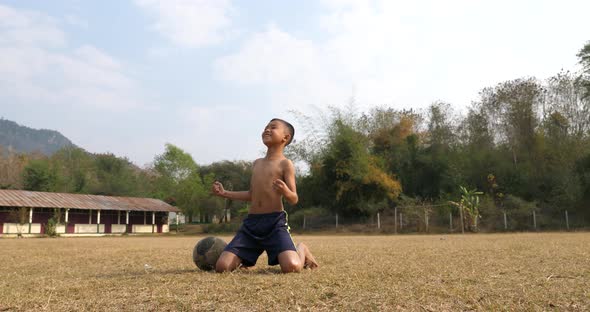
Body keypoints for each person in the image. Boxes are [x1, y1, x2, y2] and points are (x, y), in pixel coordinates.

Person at [212, 118, 319, 273]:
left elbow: (294, 198)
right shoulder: (257, 164)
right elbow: (251, 195)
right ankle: (245, 259)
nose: (267, 130)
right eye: (266, 127)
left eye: (273, 127)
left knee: (292, 267)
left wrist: (285, 191)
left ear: (285, 138)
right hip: (251, 225)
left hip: (275, 223)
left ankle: (301, 249)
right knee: (222, 267)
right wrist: (224, 193)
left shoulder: (285, 164)